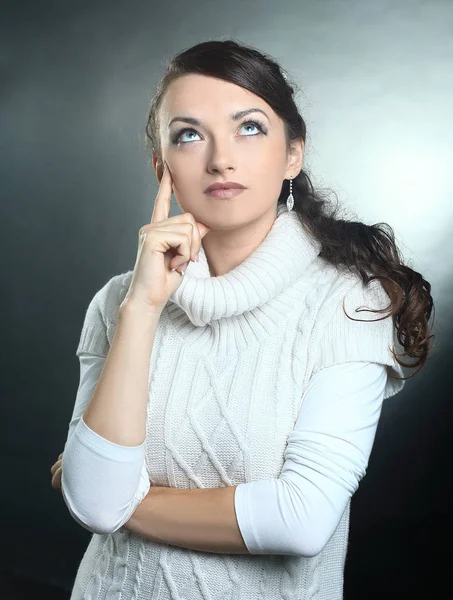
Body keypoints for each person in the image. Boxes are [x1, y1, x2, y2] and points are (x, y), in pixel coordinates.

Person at [50, 39, 434, 599]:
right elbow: (90, 500)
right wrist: (142, 309)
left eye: (248, 127)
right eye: (188, 135)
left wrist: (115, 500)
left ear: (292, 155)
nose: (220, 158)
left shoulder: (348, 303)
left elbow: (299, 519)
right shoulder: (118, 303)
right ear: (163, 169)